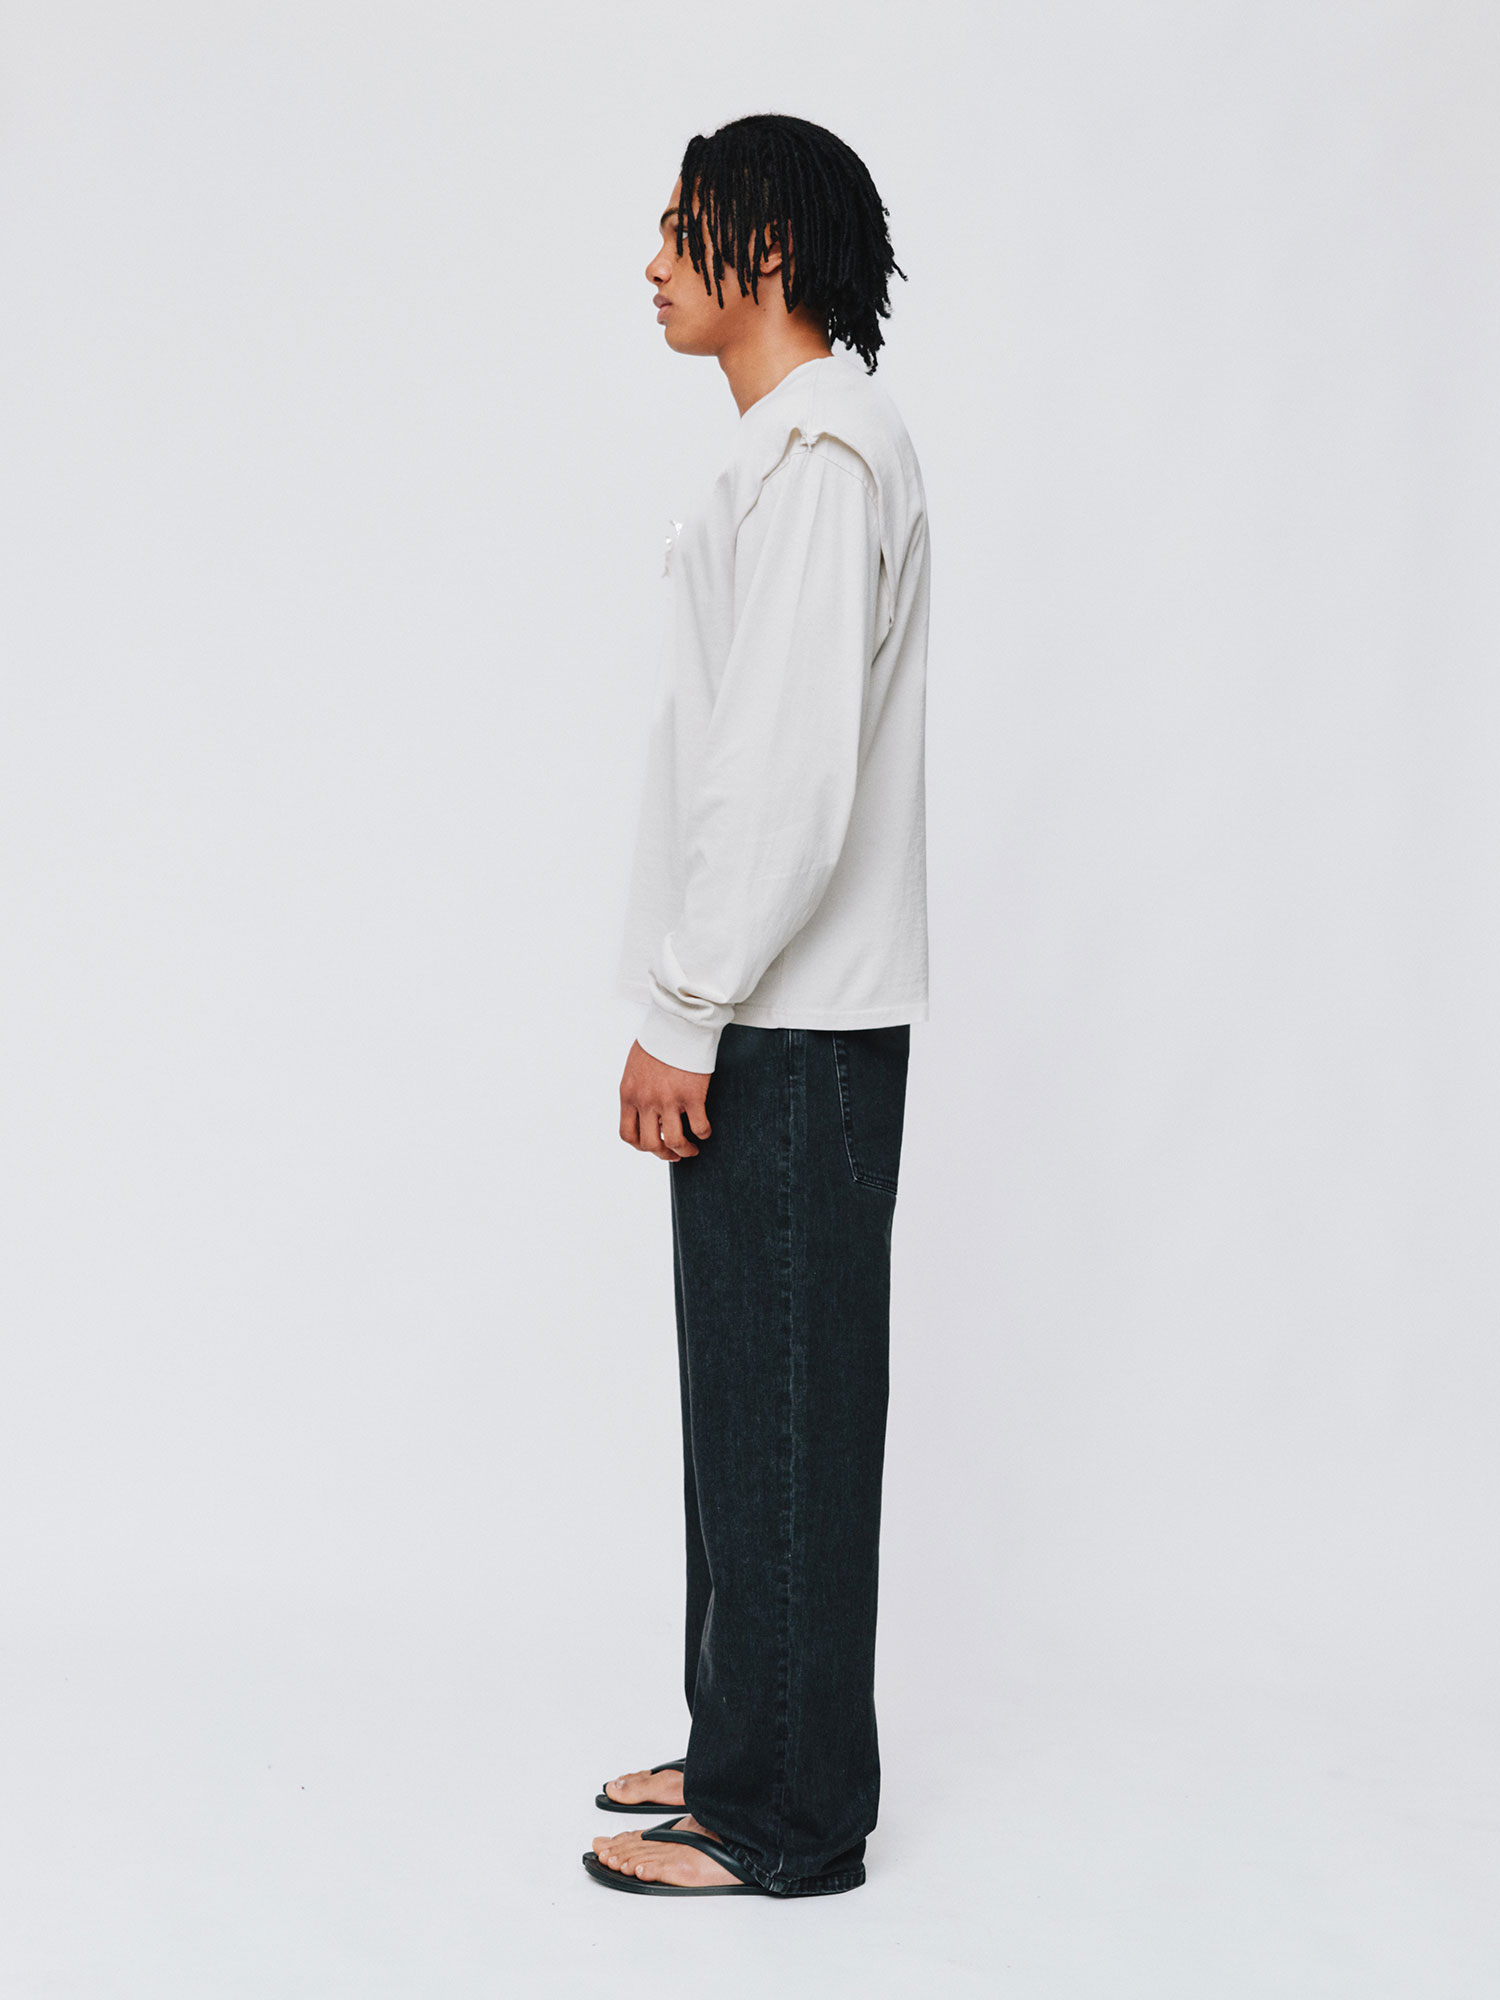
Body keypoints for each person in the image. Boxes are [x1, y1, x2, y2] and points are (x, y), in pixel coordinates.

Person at [583, 113, 930, 1900]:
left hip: (787, 1027)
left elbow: (783, 780)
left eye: (680, 229)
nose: (651, 264)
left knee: (784, 1412)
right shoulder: (791, 452)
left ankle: (784, 1816)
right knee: (747, 1404)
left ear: (765, 249)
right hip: (777, 1026)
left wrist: (687, 1005)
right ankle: (741, 1744)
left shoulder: (818, 454)